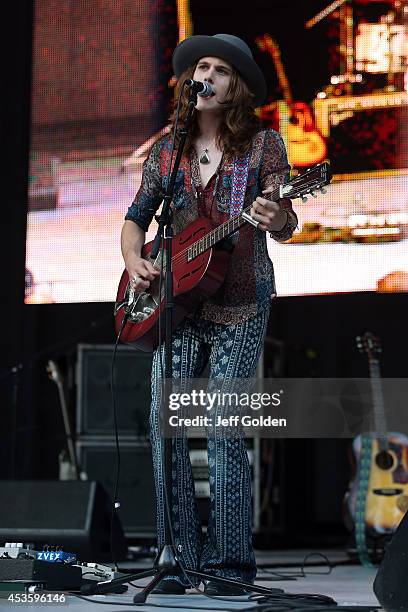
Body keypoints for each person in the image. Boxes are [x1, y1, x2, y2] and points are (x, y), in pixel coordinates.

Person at [121, 34, 298, 596]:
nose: (209, 78)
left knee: (224, 430)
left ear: (237, 86)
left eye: (222, 71)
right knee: (164, 430)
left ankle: (227, 568)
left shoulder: (263, 145)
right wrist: (135, 261)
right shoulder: (167, 151)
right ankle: (178, 559)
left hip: (240, 301)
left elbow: (285, 218)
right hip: (176, 306)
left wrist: (275, 218)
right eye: (203, 68)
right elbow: (135, 219)